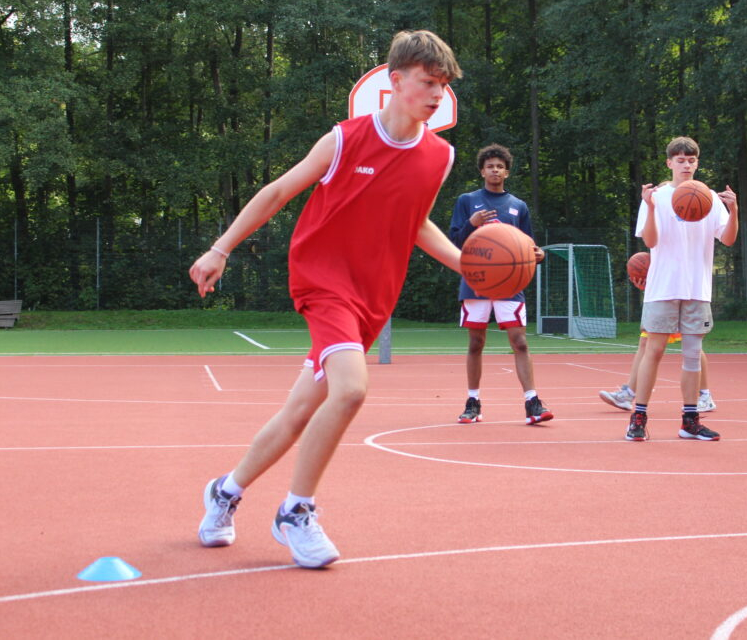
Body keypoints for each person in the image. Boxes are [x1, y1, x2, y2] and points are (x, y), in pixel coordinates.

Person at [190, 30, 464, 568]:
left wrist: (470, 265)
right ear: (395, 81)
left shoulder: (440, 156)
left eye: (444, 86)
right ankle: (296, 511)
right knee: (351, 389)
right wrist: (220, 248)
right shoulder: (344, 139)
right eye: (428, 82)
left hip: (373, 294)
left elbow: (417, 224)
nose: (437, 94)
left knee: (298, 413)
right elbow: (277, 192)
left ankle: (224, 491)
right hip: (323, 281)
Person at [625, 137, 738, 442]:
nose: (686, 164)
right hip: (663, 287)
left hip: (697, 288)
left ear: (697, 163)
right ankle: (638, 417)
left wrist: (734, 210)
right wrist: (650, 207)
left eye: (691, 160)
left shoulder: (709, 198)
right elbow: (650, 241)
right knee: (654, 350)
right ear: (669, 163)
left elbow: (728, 239)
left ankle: (690, 421)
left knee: (692, 354)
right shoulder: (657, 197)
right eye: (680, 160)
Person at [447, 144, 552, 426]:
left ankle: (532, 402)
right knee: (476, 343)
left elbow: (528, 247)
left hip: (509, 283)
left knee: (520, 341)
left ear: (507, 172)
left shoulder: (518, 206)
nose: (495, 170)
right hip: (477, 281)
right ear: (482, 171)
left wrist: (539, 256)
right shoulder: (467, 201)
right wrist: (471, 224)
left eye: (500, 166)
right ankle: (473, 401)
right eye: (490, 166)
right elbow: (454, 243)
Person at [599, 245, 715, 413]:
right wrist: (652, 283)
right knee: (646, 342)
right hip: (663, 293)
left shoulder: (686, 245)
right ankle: (629, 393)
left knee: (692, 345)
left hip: (682, 291)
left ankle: (704, 395)